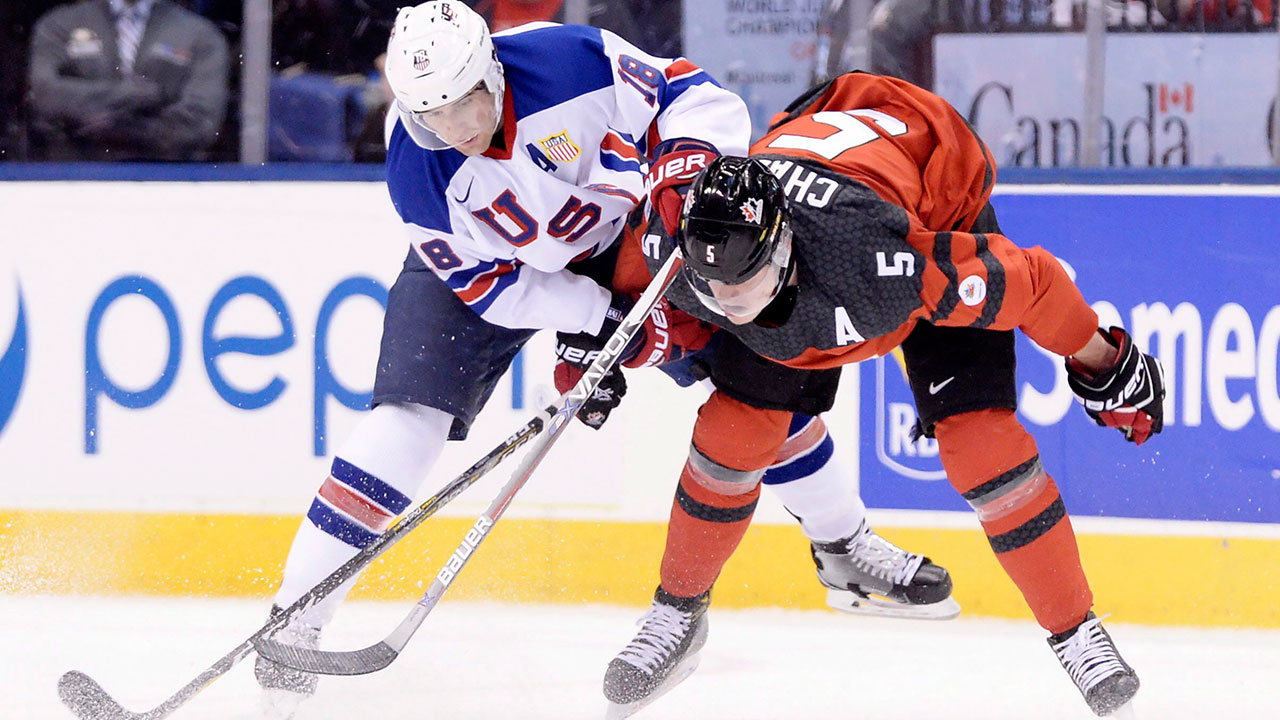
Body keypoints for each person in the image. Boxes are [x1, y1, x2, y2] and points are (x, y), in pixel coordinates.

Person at [253, 5, 953, 719]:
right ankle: (294, 620)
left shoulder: (568, 63)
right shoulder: (417, 168)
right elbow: (490, 286)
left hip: (623, 243)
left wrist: (687, 167)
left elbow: (696, 98)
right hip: (493, 274)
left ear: (491, 69)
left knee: (751, 386)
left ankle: (843, 545)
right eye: (433, 116)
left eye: (466, 103)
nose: (456, 130)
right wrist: (593, 321)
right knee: (406, 421)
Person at [619, 71, 1166, 718]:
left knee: (982, 448)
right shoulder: (680, 250)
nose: (731, 308)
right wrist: (599, 342)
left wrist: (1102, 359)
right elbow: (618, 290)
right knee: (734, 432)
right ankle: (676, 614)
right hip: (820, 161)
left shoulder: (888, 266)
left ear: (785, 248)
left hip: (926, 200)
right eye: (716, 294)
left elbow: (1036, 282)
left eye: (748, 284)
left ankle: (1078, 632)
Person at [26, 0, 229, 161]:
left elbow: (202, 121)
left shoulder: (199, 34)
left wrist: (126, 131)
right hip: (72, 176)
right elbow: (44, 95)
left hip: (167, 179)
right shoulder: (60, 24)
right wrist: (137, 94)